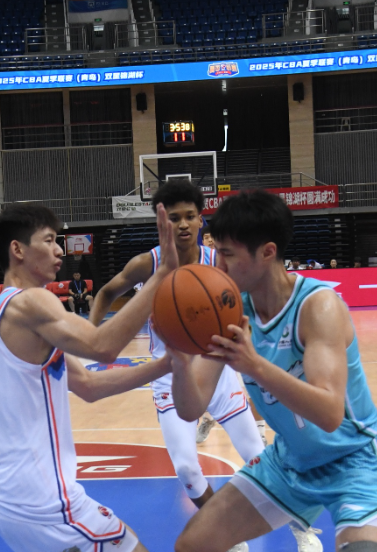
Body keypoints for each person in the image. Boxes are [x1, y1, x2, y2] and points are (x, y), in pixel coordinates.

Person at [167, 190, 377, 552]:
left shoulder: (318, 307)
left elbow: (330, 414)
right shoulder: (230, 311)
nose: (218, 266)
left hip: (353, 461)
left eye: (227, 254)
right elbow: (190, 408)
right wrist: (179, 364)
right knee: (193, 544)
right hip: (289, 461)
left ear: (268, 252)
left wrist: (254, 365)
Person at [0, 202, 178, 552]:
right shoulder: (32, 302)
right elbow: (103, 347)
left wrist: (165, 365)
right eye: (49, 240)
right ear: (18, 249)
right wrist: (162, 275)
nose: (59, 250)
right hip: (40, 499)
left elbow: (88, 384)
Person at [87, 180, 277, 547]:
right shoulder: (148, 264)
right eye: (175, 218)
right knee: (187, 469)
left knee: (258, 457)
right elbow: (107, 292)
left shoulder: (217, 262)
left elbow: (247, 298)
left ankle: (302, 528)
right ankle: (228, 534)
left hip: (217, 371)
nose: (184, 224)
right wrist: (90, 339)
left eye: (190, 216)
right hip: (170, 375)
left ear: (201, 219)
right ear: (163, 222)